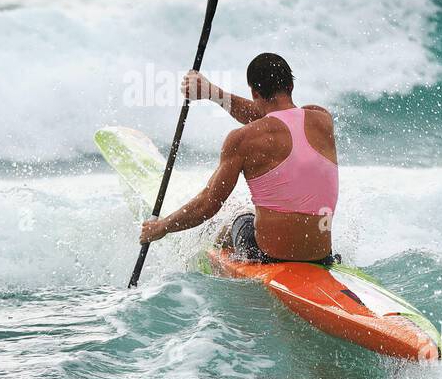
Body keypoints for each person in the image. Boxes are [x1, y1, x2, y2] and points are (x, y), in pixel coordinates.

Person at [140, 53, 339, 264]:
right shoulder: (322, 119)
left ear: (254, 92)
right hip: (320, 255)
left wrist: (161, 228)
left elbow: (208, 204)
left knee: (236, 217)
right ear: (291, 86)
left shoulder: (242, 140)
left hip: (269, 257)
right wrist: (212, 93)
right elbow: (279, 117)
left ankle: (210, 255)